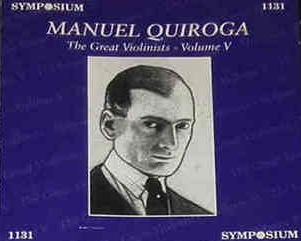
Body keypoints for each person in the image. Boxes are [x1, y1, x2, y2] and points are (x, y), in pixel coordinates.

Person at [89, 64, 210, 217]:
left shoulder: (197, 214)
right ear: (110, 125)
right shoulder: (80, 200)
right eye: (152, 124)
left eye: (182, 126)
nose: (172, 144)